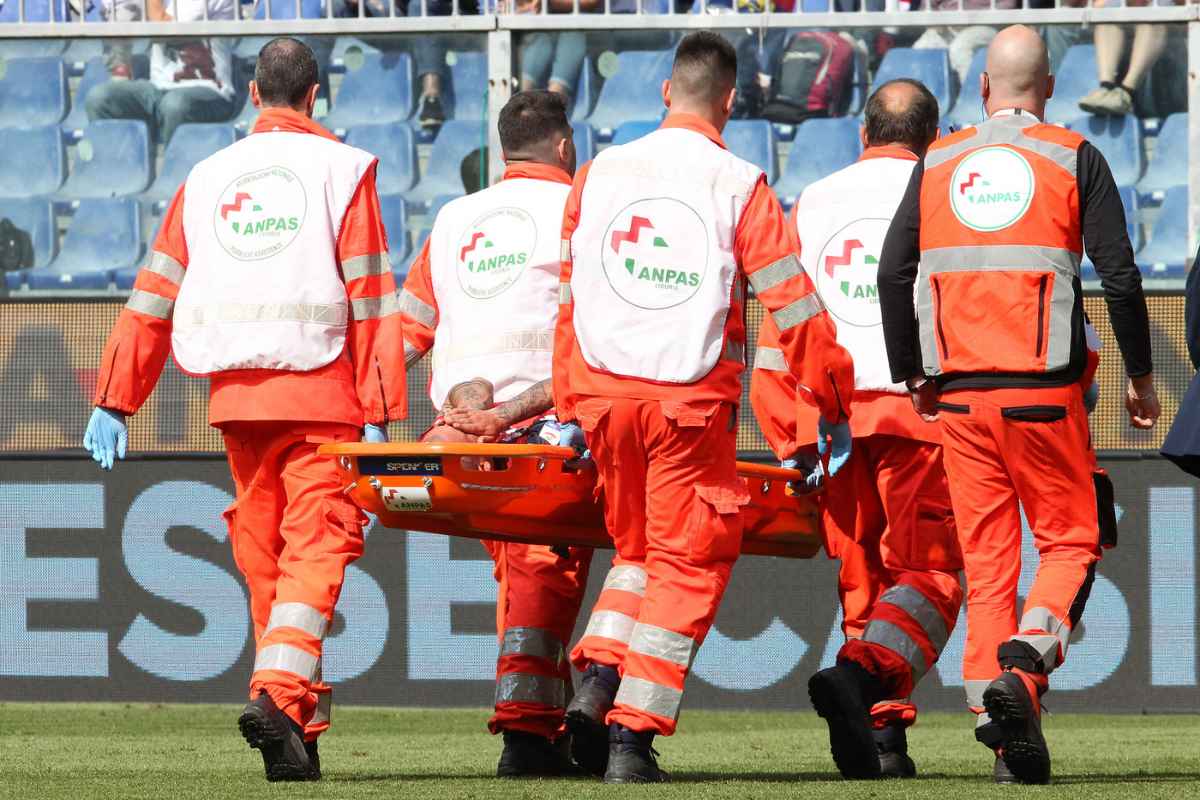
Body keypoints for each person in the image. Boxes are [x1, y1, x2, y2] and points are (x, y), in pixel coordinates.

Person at [81, 38, 407, 782]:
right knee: (316, 550)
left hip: (233, 401)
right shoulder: (344, 170)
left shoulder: (206, 176)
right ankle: (280, 694)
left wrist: (114, 399)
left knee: (266, 561)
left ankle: (295, 728)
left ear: (253, 95)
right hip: (322, 393)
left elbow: (154, 294)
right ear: (315, 95)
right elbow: (371, 301)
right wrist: (382, 408)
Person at [554, 31, 855, 784]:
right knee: (689, 563)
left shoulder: (595, 174)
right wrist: (832, 400)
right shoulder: (738, 183)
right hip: (686, 409)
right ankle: (634, 736)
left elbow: (568, 299)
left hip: (602, 397)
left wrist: (569, 404)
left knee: (637, 556)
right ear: (729, 101)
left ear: (664, 92)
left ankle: (597, 681)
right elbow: (794, 306)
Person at [877, 25, 1159, 785]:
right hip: (1044, 392)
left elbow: (892, 270)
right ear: (1050, 89)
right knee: (1070, 542)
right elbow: (1121, 276)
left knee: (989, 565)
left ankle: (1000, 742)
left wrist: (914, 374)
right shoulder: (1071, 155)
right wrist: (1140, 376)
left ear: (981, 89)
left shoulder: (937, 160)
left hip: (960, 397)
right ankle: (1027, 669)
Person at [750, 78, 963, 782]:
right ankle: (866, 687)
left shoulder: (815, 199)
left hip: (833, 416)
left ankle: (882, 743)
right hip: (920, 408)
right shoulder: (946, 189)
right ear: (932, 134)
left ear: (862, 131)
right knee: (929, 571)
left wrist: (792, 429)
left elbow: (785, 324)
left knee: (863, 577)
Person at [397, 90, 593, 779]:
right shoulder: (579, 210)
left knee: (523, 575)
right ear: (565, 148)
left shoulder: (454, 218)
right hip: (542, 432)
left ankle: (545, 725)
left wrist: (368, 408)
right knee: (548, 572)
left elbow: (406, 331)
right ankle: (532, 733)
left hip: (456, 437)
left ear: (504, 148)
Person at [85, 0, 238, 144]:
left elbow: (166, 25)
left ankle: (174, 168)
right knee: (100, 98)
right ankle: (118, 167)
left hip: (210, 90)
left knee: (174, 104)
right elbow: (116, 10)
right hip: (159, 89)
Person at [1077, 1, 1173, 116]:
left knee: (1154, 15)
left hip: (1173, 35)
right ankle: (1106, 88)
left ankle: (1125, 94)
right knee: (1108, 11)